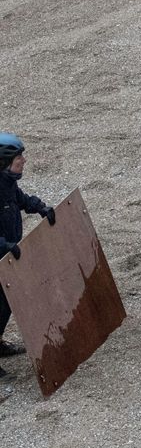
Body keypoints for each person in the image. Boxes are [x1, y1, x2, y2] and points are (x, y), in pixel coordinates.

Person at [0, 133, 57, 376]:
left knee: (6, 305)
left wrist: (40, 207)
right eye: (18, 157)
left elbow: (20, 199)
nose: (23, 160)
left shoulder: (7, 184)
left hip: (7, 258)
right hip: (2, 254)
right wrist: (3, 244)